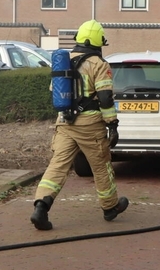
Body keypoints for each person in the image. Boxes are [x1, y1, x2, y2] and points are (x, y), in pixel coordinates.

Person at [30, 20, 129, 230]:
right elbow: (105, 98)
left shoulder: (63, 61)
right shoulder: (99, 65)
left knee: (58, 165)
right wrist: (113, 125)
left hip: (65, 122)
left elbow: (54, 91)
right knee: (101, 166)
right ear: (97, 43)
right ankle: (110, 207)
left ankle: (41, 206)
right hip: (90, 124)